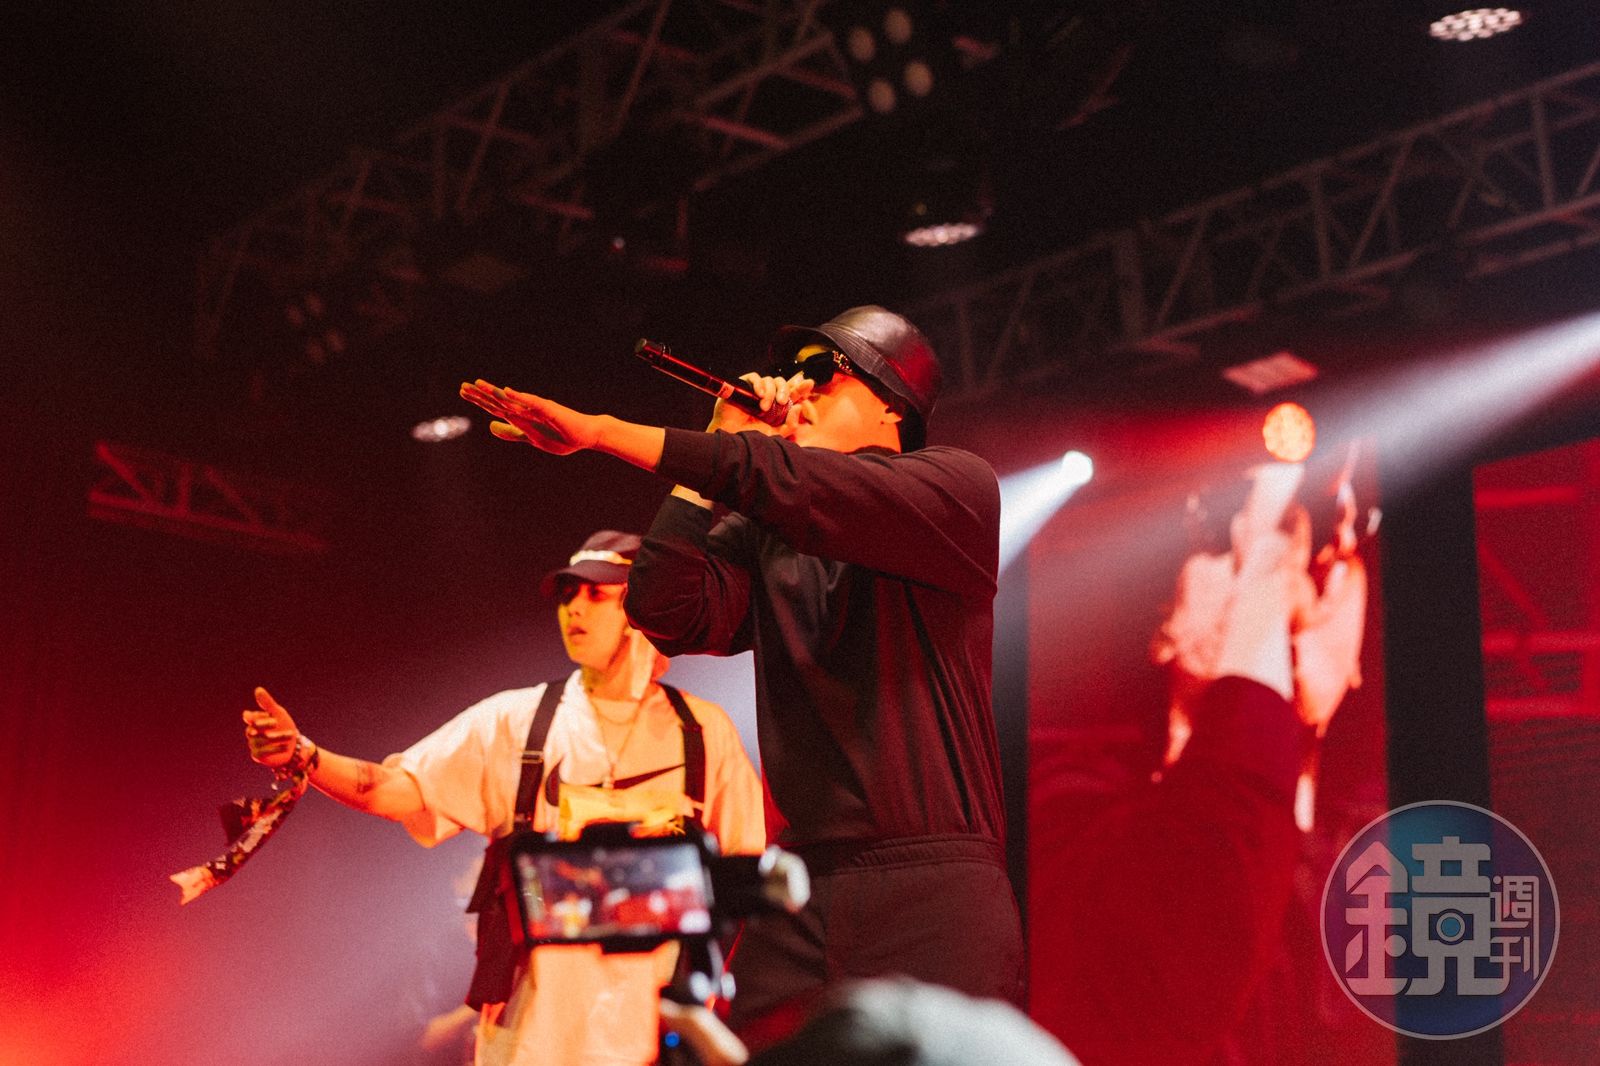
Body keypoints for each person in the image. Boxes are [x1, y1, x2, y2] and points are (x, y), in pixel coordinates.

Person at [460, 305, 1023, 1050]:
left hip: (933, 885)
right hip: (807, 886)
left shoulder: (954, 490)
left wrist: (601, 432)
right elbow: (666, 608)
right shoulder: (770, 534)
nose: (798, 387)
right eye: (793, 371)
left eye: (824, 372)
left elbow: (784, 479)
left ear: (893, 405)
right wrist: (719, 443)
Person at [242, 530, 766, 1066]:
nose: (573, 609)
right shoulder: (514, 722)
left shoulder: (705, 734)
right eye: (567, 595)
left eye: (596, 594)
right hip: (533, 1040)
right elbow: (391, 789)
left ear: (643, 607)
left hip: (656, 1037)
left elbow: (747, 881)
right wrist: (304, 754)